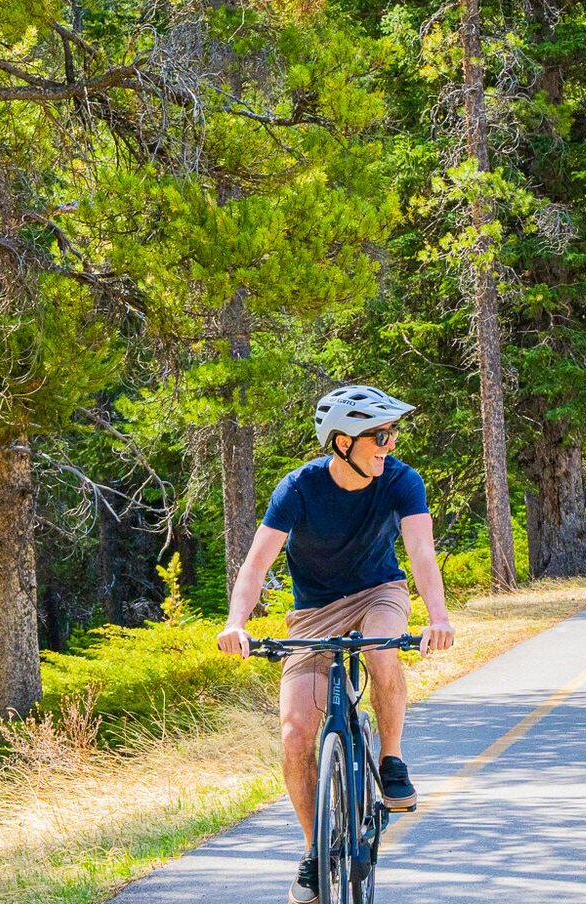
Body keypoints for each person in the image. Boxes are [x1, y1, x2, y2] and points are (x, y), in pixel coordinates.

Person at [218, 384, 456, 904]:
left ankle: (390, 760)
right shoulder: (298, 488)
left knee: (378, 645)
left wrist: (437, 617)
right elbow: (256, 564)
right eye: (380, 435)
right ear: (343, 441)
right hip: (313, 613)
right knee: (295, 731)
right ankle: (313, 850)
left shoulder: (400, 480)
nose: (389, 444)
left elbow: (420, 553)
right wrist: (237, 622)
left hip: (379, 592)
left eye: (392, 434)